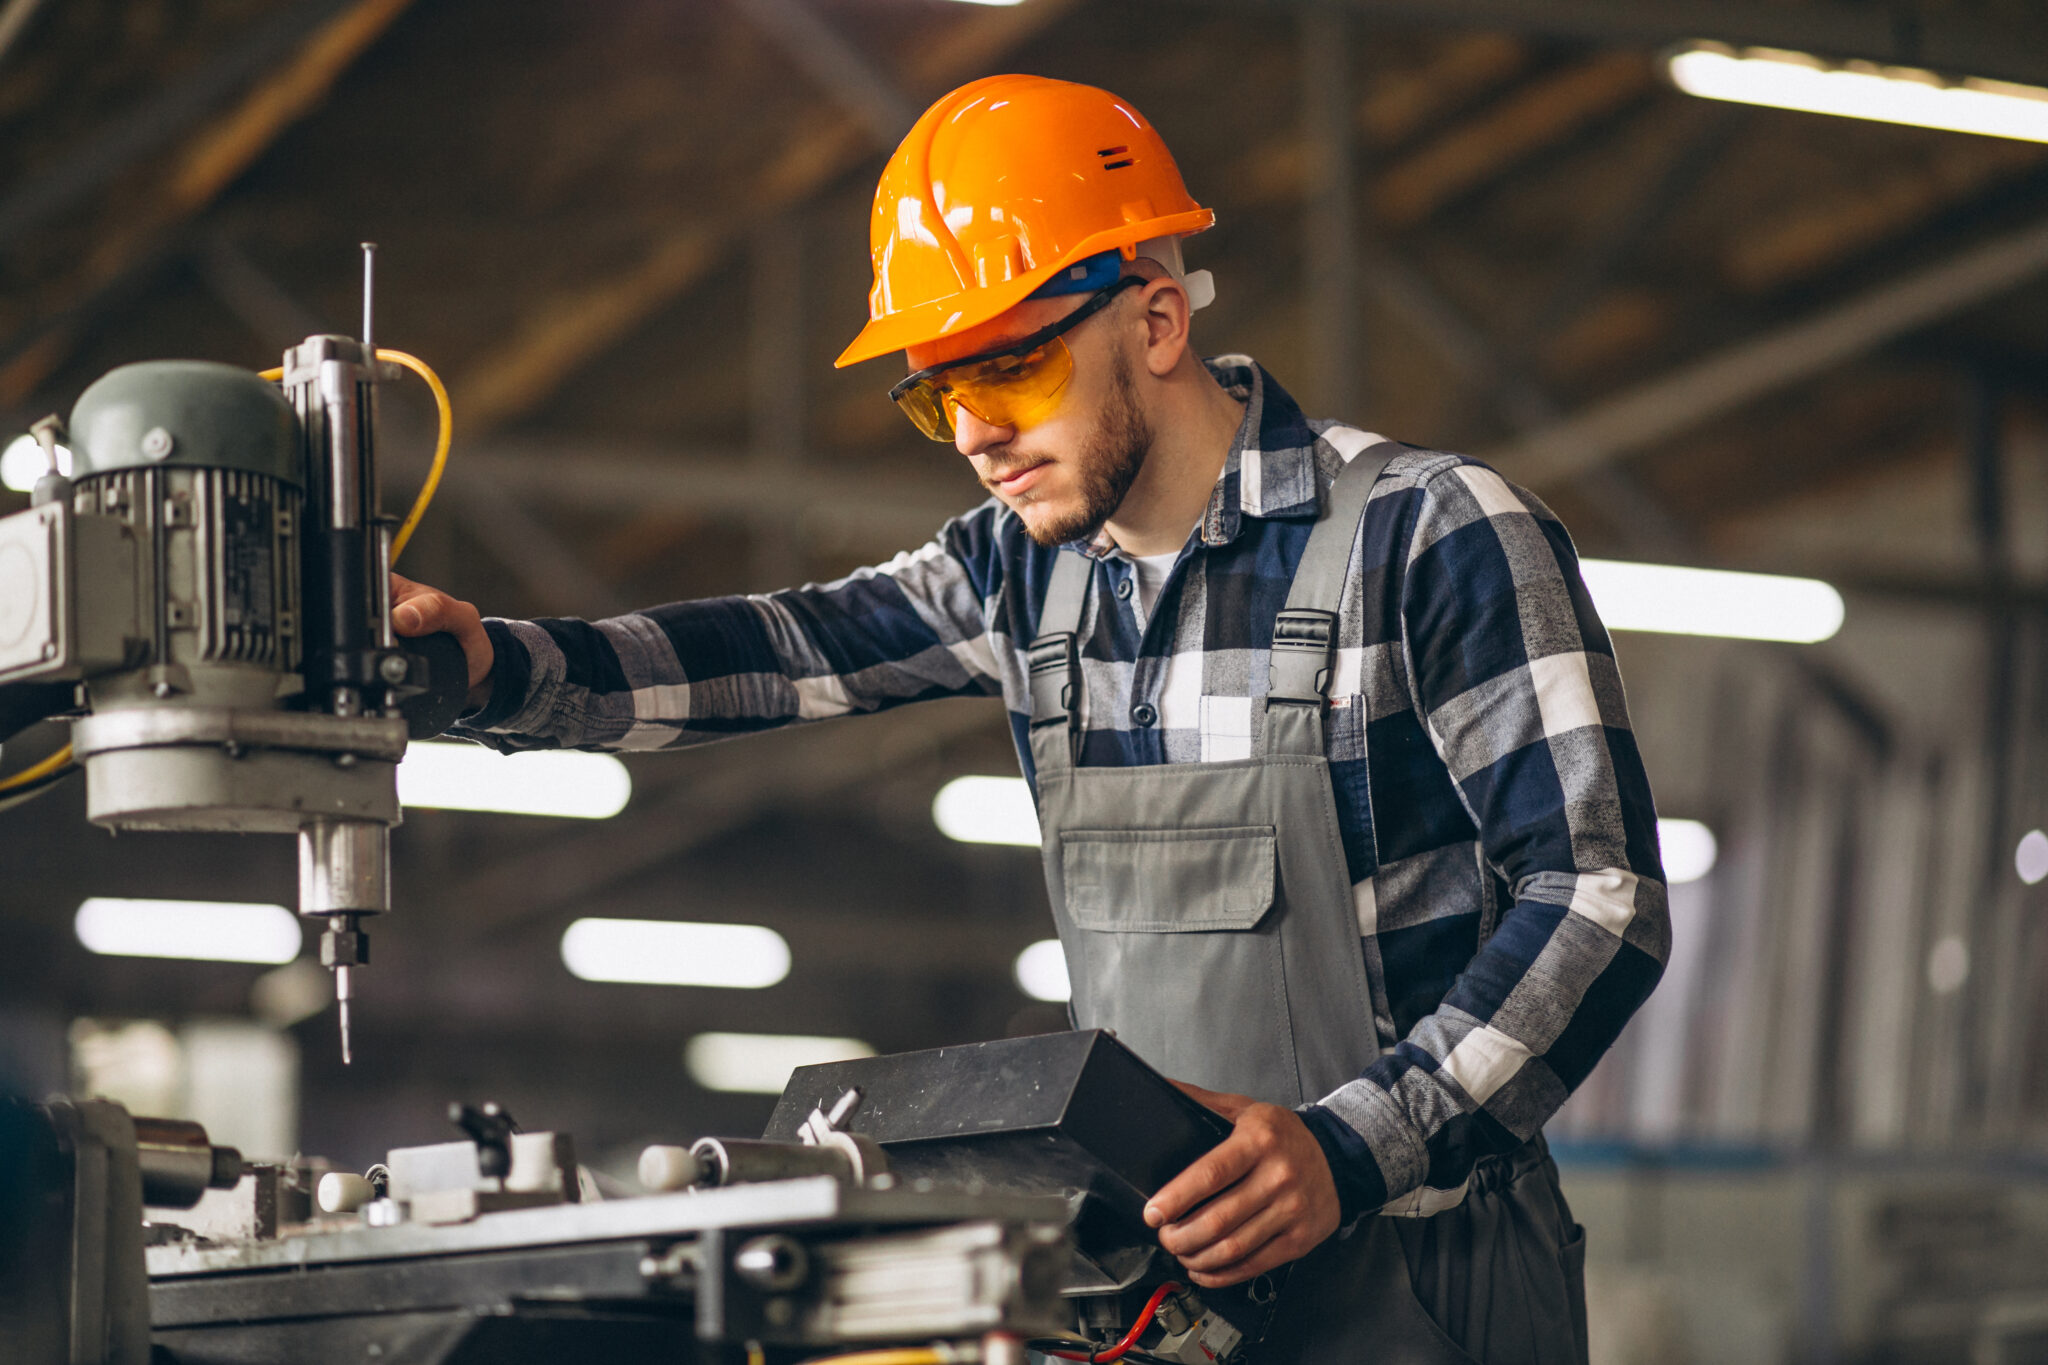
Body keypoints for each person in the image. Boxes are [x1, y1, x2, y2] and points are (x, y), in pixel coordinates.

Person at [393, 74, 1667, 1364]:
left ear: (1158, 318)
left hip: (1424, 1279)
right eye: (935, 391)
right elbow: (785, 647)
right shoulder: (1020, 572)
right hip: (1155, 1295)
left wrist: (1351, 1146)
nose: (972, 432)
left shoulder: (1428, 534)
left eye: (1009, 366)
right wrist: (500, 667)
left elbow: (1599, 898)